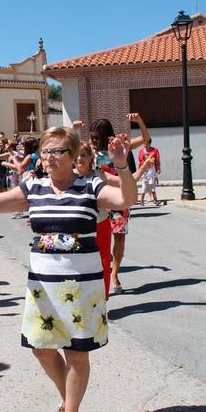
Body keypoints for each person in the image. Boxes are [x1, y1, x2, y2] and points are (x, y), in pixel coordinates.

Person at [0, 126, 137, 412]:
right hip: (43, 288)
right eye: (45, 151)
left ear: (73, 157)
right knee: (41, 349)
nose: (49, 157)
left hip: (81, 287)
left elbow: (126, 198)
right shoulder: (33, 186)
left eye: (56, 151)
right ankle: (68, 401)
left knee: (76, 352)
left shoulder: (91, 185)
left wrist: (122, 166)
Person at [84, 113, 150, 294]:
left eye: (96, 137)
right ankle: (102, 274)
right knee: (100, 241)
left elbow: (146, 139)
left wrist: (139, 122)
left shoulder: (118, 147)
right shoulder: (91, 151)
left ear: (106, 136)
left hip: (120, 200)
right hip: (101, 201)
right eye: (91, 137)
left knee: (119, 237)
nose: (93, 140)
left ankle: (114, 273)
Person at [137, 141, 161, 206]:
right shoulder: (144, 167)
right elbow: (140, 163)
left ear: (150, 143)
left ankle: (156, 200)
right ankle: (142, 201)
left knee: (153, 189)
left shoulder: (155, 151)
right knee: (143, 190)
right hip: (145, 179)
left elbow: (157, 161)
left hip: (152, 178)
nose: (145, 145)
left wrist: (157, 175)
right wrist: (141, 175)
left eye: (146, 143)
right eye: (144, 143)